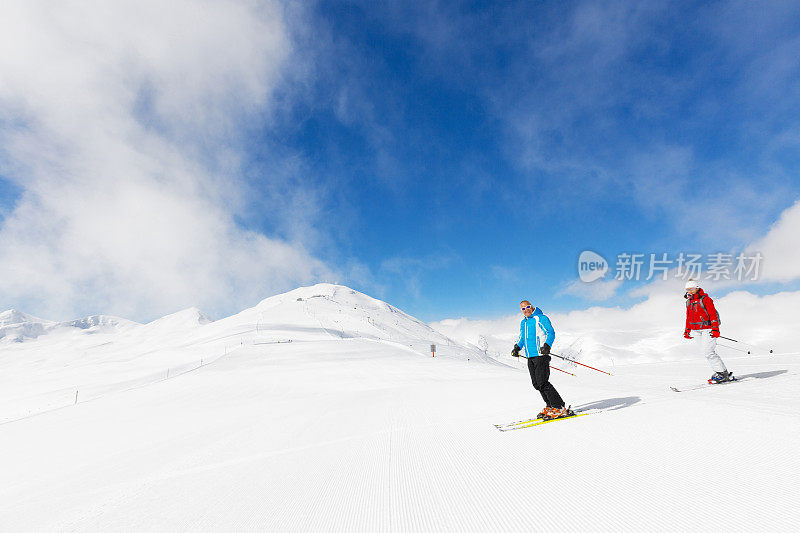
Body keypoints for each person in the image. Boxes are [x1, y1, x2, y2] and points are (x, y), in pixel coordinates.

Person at [511, 300, 571, 420]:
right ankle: (550, 406)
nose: (526, 310)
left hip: (541, 355)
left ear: (531, 306)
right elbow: (522, 337)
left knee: (543, 382)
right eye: (523, 309)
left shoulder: (541, 318)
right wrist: (517, 347)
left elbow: (551, 332)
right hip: (530, 356)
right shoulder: (524, 322)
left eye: (527, 307)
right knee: (537, 384)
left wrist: (547, 345)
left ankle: (559, 407)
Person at [683, 279, 734, 383]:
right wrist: (687, 330)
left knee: (709, 352)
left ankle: (722, 374)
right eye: (688, 290)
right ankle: (721, 372)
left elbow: (712, 315)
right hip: (696, 330)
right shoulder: (688, 301)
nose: (690, 291)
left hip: (708, 329)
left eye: (692, 289)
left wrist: (715, 329)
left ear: (697, 288)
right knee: (706, 352)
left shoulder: (706, 299)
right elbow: (688, 317)